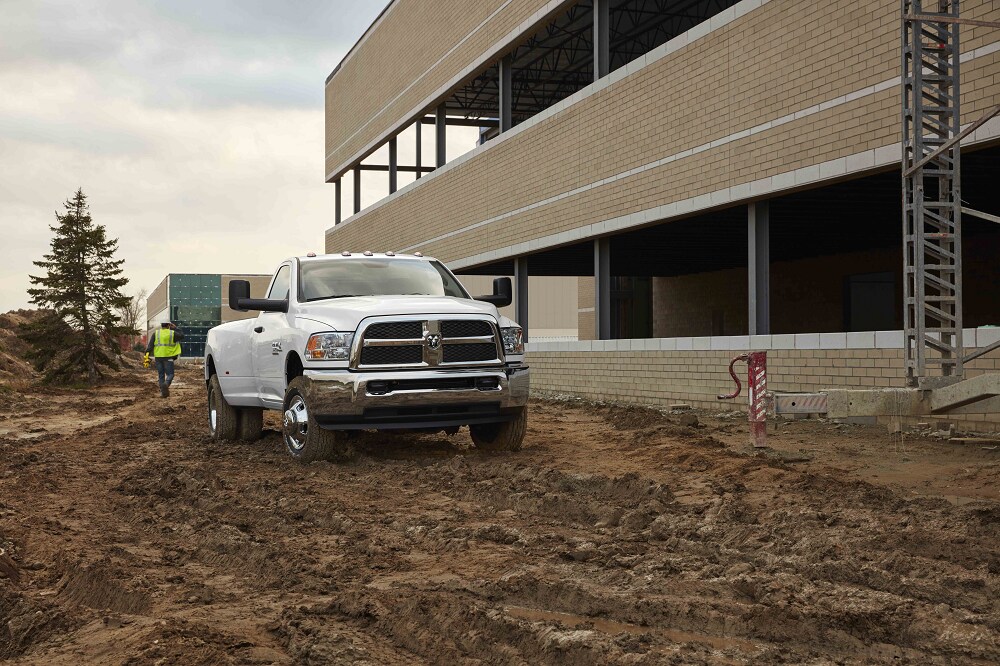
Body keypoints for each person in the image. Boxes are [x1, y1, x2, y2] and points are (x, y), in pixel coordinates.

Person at [145, 322, 184, 398]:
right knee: (170, 374)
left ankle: (163, 393)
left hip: (158, 357)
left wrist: (147, 354)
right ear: (169, 325)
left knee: (161, 375)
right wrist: (175, 328)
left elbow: (150, 345)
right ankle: (166, 384)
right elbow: (182, 336)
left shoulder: (156, 333)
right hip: (168, 356)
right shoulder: (172, 333)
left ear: (161, 325)